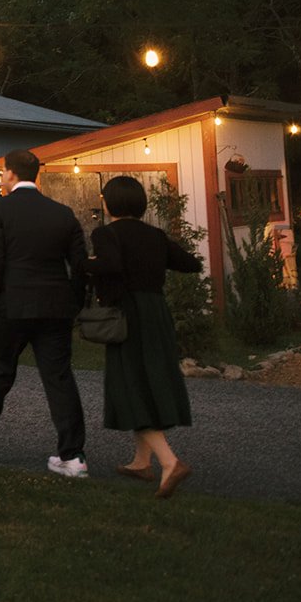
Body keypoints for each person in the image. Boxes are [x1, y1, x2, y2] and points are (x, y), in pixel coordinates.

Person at [0, 149, 89, 478]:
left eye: (1, 174)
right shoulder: (63, 214)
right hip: (56, 307)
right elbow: (80, 265)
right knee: (59, 378)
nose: (1, 179)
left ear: (11, 174)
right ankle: (73, 456)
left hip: (10, 305)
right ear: (36, 175)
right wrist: (75, 302)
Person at [85, 176, 201, 498]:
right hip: (156, 313)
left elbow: (110, 264)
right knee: (148, 380)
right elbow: (190, 264)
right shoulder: (155, 234)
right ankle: (140, 462)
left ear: (109, 203)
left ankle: (169, 462)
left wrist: (83, 264)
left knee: (131, 386)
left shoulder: (105, 233)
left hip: (128, 316)